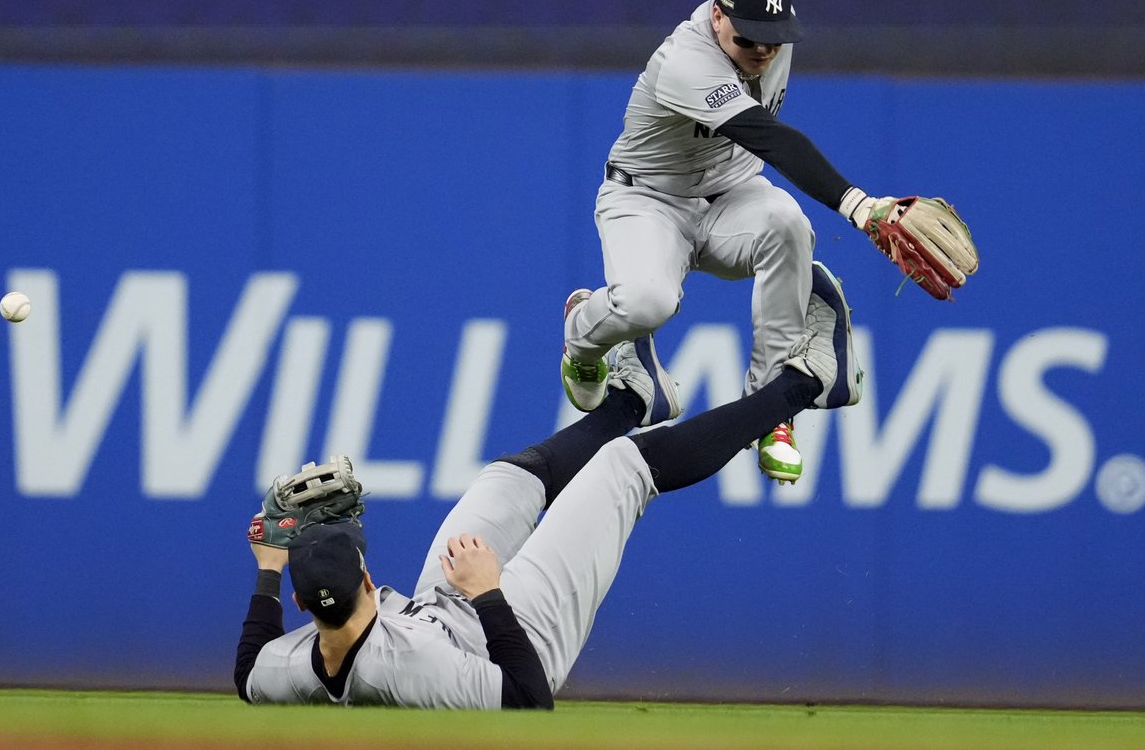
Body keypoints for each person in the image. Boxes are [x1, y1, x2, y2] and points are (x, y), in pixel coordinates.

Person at [234, 262, 862, 709]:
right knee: (623, 469)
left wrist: (268, 566)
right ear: (367, 579)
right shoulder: (407, 670)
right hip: (517, 636)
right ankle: (808, 380)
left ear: (301, 611)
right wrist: (488, 594)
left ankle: (632, 399)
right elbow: (527, 699)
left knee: (507, 478)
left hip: (439, 609)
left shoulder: (293, 668)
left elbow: (247, 675)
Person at [560, 0, 908, 484]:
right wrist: (860, 205)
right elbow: (769, 138)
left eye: (776, 38)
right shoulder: (686, 63)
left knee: (788, 225)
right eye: (751, 40)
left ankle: (771, 408)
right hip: (647, 201)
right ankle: (582, 333)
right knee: (648, 303)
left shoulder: (759, 15)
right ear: (718, 17)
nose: (766, 51)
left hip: (730, 195)